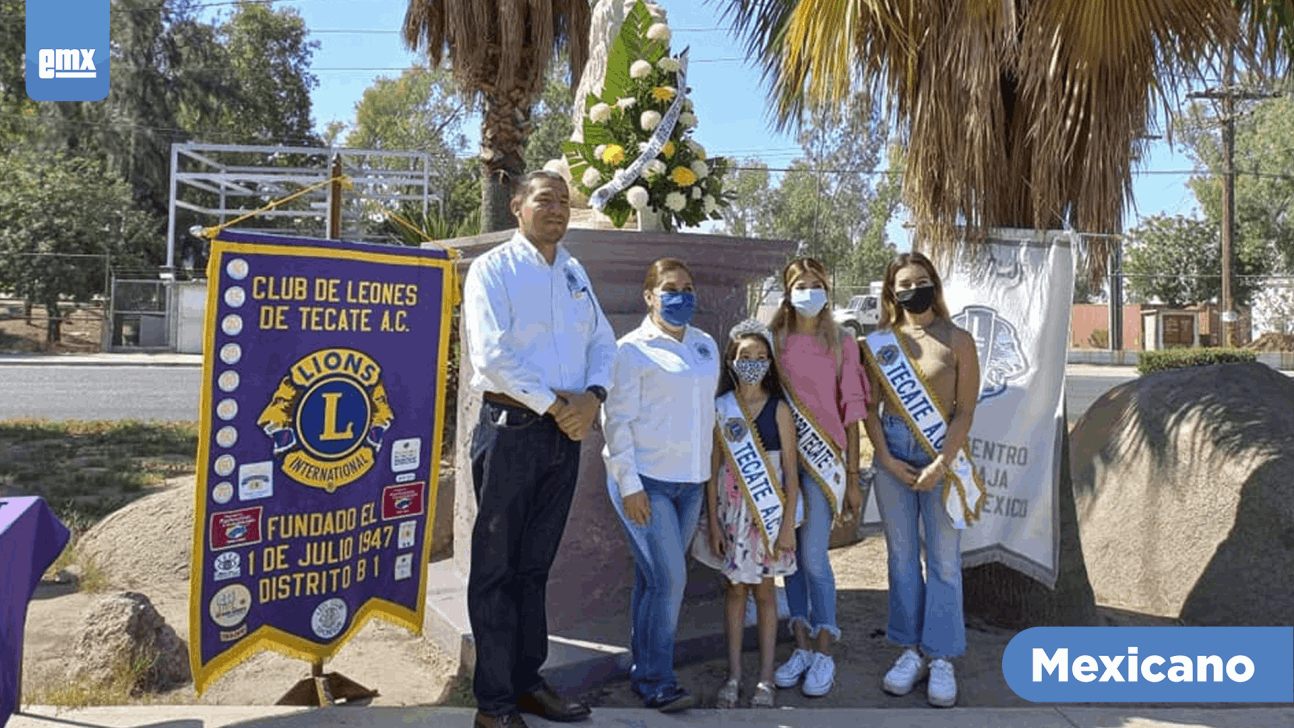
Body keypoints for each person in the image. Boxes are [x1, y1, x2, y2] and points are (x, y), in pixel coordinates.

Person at [461, 169, 617, 728]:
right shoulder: (492, 271)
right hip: (513, 432)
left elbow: (602, 341)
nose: (557, 210)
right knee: (497, 571)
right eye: (544, 200)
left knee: (534, 568)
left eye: (564, 202)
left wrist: (593, 398)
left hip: (564, 436)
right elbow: (492, 356)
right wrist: (558, 406)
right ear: (517, 207)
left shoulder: (573, 272)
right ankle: (495, 704)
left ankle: (527, 682)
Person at [861, 251, 983, 709]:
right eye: (905, 283)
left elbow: (965, 411)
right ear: (893, 292)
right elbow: (870, 410)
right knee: (901, 560)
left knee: (946, 562)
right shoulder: (878, 343)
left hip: (942, 457)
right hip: (893, 455)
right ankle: (909, 651)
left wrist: (941, 465)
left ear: (934, 283)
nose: (914, 289)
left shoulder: (959, 340)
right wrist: (888, 461)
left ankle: (943, 656)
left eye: (922, 279)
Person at [601, 258, 720, 713]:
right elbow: (616, 423)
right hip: (645, 483)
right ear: (649, 296)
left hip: (689, 484)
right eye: (669, 288)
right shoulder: (631, 350)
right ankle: (657, 681)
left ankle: (642, 669)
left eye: (687, 287)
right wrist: (628, 485)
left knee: (653, 580)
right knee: (671, 580)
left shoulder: (706, 345)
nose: (680, 295)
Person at [766, 258, 870, 697]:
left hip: (824, 463)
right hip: (782, 462)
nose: (810, 291)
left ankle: (825, 646)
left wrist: (852, 475)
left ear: (828, 289)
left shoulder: (843, 342)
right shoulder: (773, 342)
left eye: (817, 284)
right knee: (789, 558)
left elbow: (852, 411)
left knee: (813, 557)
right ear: (787, 290)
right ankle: (802, 644)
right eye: (801, 284)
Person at [695, 319, 799, 709]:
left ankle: (766, 678)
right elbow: (712, 470)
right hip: (730, 514)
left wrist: (787, 525)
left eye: (760, 357)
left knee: (766, 593)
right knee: (735, 591)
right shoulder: (722, 409)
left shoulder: (779, 410)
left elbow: (791, 473)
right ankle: (734, 674)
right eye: (745, 357)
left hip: (769, 518)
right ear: (731, 362)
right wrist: (713, 522)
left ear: (770, 362)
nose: (753, 363)